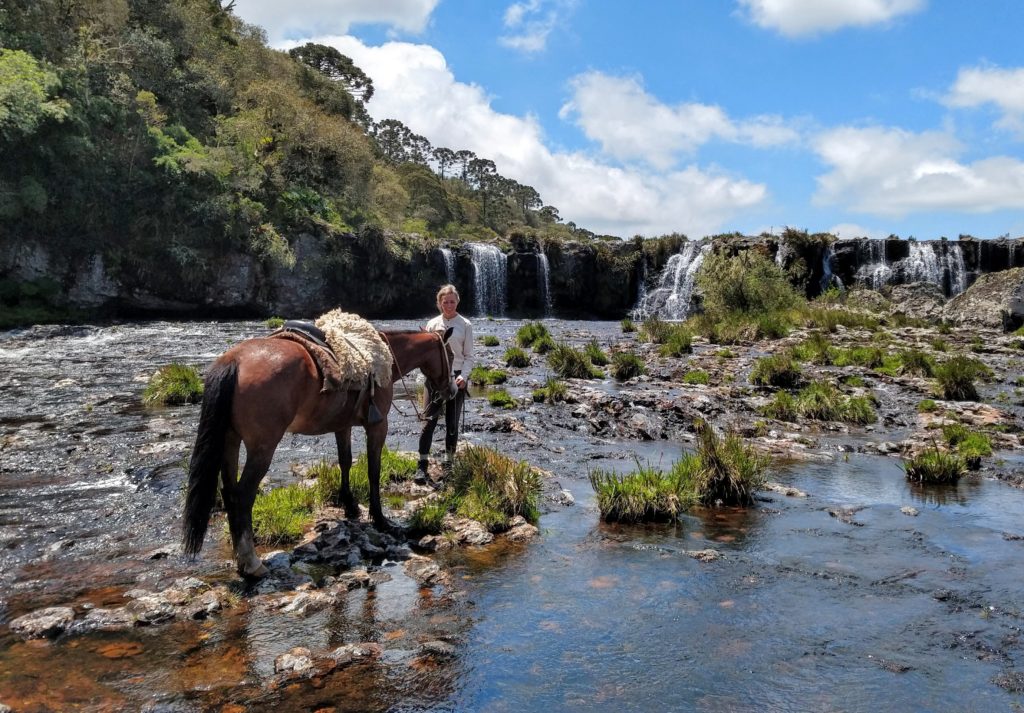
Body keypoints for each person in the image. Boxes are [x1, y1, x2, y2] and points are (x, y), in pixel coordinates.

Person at [417, 284, 473, 483]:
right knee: (428, 422)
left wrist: (463, 377)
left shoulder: (465, 325)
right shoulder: (431, 324)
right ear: (440, 303)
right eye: (445, 301)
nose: (448, 304)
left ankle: (449, 466)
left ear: (457, 301)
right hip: (434, 380)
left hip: (455, 378)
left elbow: (469, 356)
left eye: (452, 301)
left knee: (451, 424)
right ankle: (421, 467)